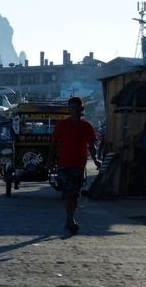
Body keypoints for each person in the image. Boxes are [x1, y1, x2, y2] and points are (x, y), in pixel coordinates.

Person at [47, 96, 100, 235]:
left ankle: (70, 217)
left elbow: (92, 145)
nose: (74, 110)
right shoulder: (62, 125)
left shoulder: (87, 126)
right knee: (69, 193)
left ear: (81, 109)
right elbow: (54, 144)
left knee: (75, 195)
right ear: (69, 109)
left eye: (77, 107)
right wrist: (50, 161)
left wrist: (95, 160)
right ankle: (71, 219)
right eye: (72, 107)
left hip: (79, 165)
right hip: (64, 164)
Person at [134, 121, 146, 196]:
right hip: (144, 156)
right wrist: (141, 134)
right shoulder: (143, 135)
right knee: (143, 168)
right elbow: (135, 141)